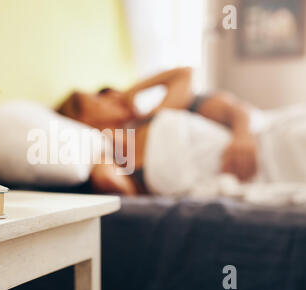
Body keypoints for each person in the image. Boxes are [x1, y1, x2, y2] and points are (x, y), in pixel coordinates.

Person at [57, 67, 305, 197]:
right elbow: (109, 182)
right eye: (99, 101)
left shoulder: (155, 116)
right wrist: (100, 145)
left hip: (270, 137)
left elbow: (183, 74)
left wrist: (132, 91)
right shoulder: (121, 165)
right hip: (262, 179)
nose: (112, 97)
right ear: (83, 120)